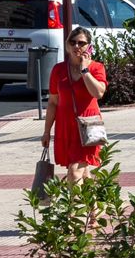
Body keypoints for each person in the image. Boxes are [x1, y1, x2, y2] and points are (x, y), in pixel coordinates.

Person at [43, 26, 109, 186]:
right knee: (83, 173)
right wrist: (46, 132)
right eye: (72, 42)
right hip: (66, 127)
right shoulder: (58, 70)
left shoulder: (96, 68)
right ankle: (94, 209)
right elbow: (52, 103)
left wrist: (85, 71)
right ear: (67, 45)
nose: (76, 46)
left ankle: (73, 210)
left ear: (89, 47)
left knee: (74, 171)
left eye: (81, 43)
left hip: (87, 126)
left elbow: (98, 93)